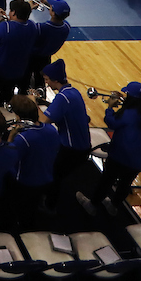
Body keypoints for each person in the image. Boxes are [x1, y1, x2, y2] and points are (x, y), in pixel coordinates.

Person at [79, 82, 141, 216]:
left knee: (106, 180)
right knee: (125, 183)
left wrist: (110, 107)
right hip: (140, 159)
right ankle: (114, 205)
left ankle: (92, 205)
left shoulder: (129, 114)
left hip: (122, 156)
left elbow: (111, 122)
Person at [38, 59, 91, 207]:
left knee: (54, 175)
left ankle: (50, 206)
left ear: (55, 80)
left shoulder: (62, 97)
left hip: (71, 149)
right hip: (82, 146)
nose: (47, 83)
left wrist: (33, 103)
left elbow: (44, 120)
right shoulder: (73, 92)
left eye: (47, 80)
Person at [7, 95, 59, 229]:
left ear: (19, 117)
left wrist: (11, 137)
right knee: (32, 208)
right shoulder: (52, 130)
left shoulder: (23, 139)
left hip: (25, 182)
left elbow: (7, 158)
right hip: (45, 178)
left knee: (21, 212)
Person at [0, 0, 38, 108]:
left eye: (11, 11)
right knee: (7, 94)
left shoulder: (5, 27)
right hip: (18, 71)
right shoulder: (32, 26)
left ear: (14, 13)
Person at [28, 0, 70, 87]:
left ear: (53, 13)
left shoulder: (41, 28)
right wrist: (46, 3)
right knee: (41, 81)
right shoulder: (66, 27)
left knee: (25, 79)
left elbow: (23, 24)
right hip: (46, 58)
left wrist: (29, 8)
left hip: (32, 58)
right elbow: (58, 16)